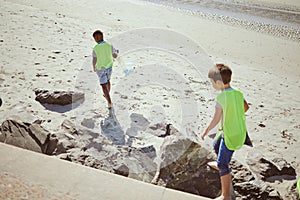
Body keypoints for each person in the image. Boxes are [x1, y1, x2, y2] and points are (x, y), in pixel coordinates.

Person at [201, 64, 249, 200]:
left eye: (212, 83)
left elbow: (216, 119)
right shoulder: (238, 93)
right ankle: (220, 162)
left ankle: (225, 195)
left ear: (219, 83)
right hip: (239, 131)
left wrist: (206, 130)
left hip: (231, 135)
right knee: (216, 144)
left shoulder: (221, 98)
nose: (212, 85)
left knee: (223, 164)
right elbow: (246, 107)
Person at [92, 30, 118, 109]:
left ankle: (109, 102)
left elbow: (94, 59)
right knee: (108, 81)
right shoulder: (109, 45)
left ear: (96, 38)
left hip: (100, 68)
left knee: (103, 85)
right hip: (109, 67)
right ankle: (107, 93)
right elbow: (114, 55)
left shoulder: (95, 48)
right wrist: (116, 53)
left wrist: (93, 66)